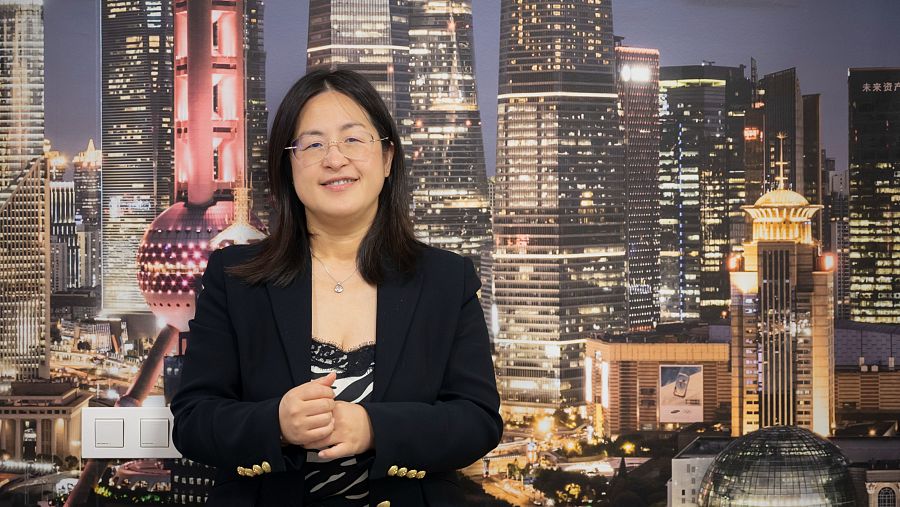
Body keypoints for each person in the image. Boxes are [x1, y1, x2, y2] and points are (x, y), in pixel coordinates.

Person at [170, 68, 503, 507]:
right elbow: (193, 420)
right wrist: (276, 423)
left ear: (386, 158)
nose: (334, 159)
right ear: (288, 167)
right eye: (312, 144)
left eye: (353, 139)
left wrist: (373, 429)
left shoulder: (446, 279)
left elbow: (477, 419)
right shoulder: (235, 277)